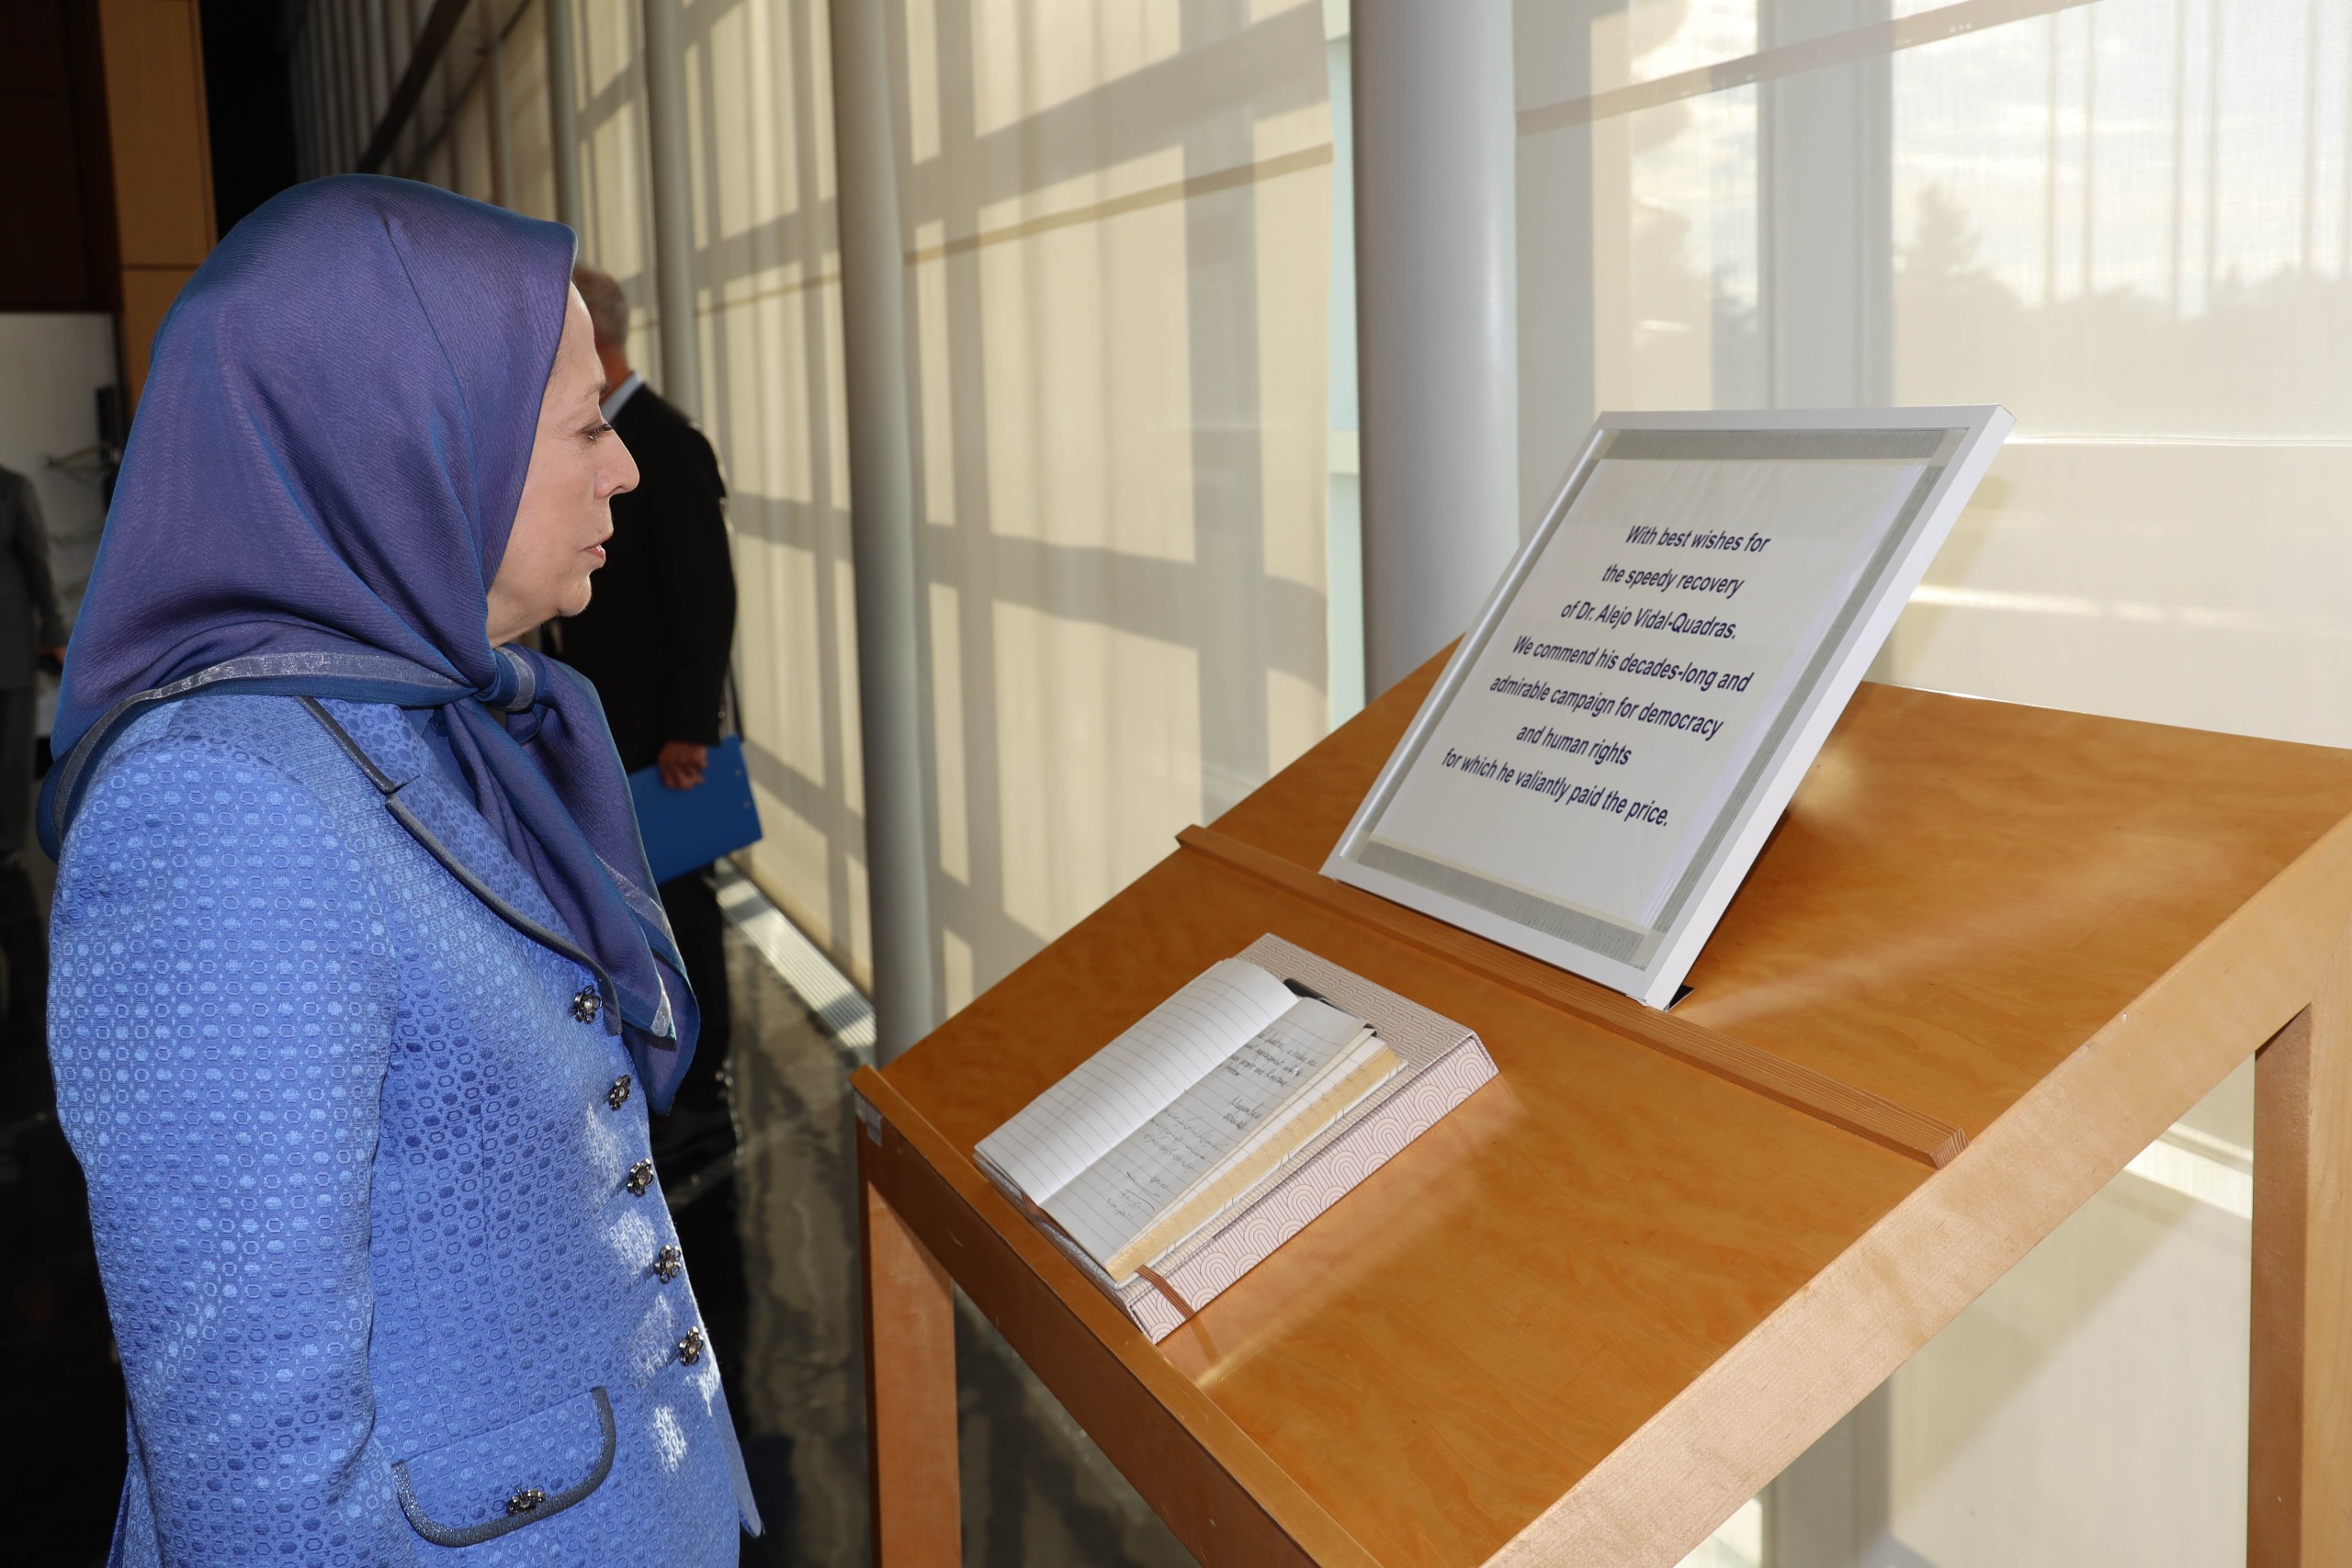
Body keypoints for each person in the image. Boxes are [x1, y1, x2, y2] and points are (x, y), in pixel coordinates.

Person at [41, 177, 759, 1562]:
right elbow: (255, 1477)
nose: (621, 468)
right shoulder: (221, 807)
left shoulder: (427, 710)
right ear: (416, 449)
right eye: (578, 428)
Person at [553, 265, 737, 1124]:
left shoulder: (665, 441)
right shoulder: (602, 443)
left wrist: (689, 728)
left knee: (683, 896)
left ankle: (702, 1082)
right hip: (610, 716)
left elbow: (707, 596)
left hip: (660, 732)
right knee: (634, 891)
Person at [0, 465, 64, 1048]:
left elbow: (37, 568)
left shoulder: (11, 488)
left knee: (13, 759)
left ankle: (8, 847)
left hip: (9, 651)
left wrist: (53, 627)